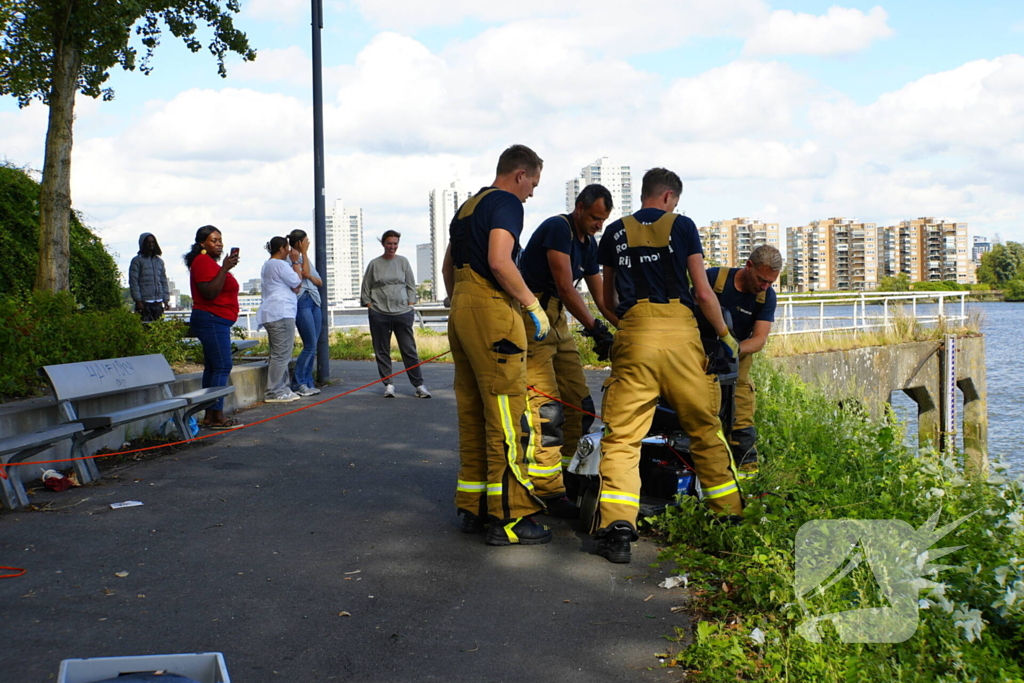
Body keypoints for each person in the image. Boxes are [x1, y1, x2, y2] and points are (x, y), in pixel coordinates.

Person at [592, 168, 743, 564]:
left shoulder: (614, 232)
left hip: (634, 333)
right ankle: (729, 518)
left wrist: (628, 327)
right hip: (681, 335)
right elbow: (703, 291)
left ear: (645, 194)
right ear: (669, 197)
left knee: (623, 439)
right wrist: (724, 336)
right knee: (704, 429)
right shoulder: (683, 225)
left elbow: (607, 298)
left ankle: (619, 530)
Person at [441, 144, 551, 546]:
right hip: (492, 309)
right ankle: (511, 517)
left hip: (461, 309)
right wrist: (531, 305)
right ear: (520, 174)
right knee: (508, 412)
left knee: (473, 411)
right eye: (533, 183)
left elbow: (446, 268)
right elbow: (501, 260)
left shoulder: (467, 208)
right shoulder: (506, 203)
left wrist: (461, 306)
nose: (532, 193)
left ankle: (474, 507)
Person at [517, 184, 617, 518]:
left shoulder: (589, 244)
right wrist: (594, 328)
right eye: (593, 218)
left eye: (603, 220)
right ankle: (545, 488)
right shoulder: (558, 228)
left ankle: (568, 475)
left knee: (581, 405)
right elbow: (563, 285)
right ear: (579, 207)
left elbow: (601, 299)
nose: (598, 225)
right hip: (534, 317)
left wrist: (620, 328)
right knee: (547, 410)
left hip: (557, 319)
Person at [701, 244, 782, 477]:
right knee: (699, 411)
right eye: (761, 279)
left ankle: (748, 478)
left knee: (741, 413)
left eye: (770, 282)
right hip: (699, 352)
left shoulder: (766, 297)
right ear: (748, 266)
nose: (764, 286)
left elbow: (759, 339)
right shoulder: (714, 278)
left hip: (738, 355)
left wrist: (731, 351)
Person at [185, 225, 243, 429]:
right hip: (210, 318)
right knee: (222, 366)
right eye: (213, 240)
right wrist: (225, 269)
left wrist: (223, 269)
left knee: (213, 367)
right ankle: (217, 414)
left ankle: (211, 415)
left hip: (217, 319)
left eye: (220, 240)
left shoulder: (209, 263)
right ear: (202, 243)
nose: (219, 244)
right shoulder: (201, 262)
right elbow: (209, 292)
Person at [360, 230, 431, 399]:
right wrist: (370, 305)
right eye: (389, 243)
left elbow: (411, 285)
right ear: (383, 244)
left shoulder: (403, 262)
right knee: (382, 349)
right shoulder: (375, 264)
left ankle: (419, 385)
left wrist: (410, 304)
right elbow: (366, 287)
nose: (392, 247)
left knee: (409, 349)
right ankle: (388, 384)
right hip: (379, 312)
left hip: (402, 312)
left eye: (395, 243)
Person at [257, 236, 303, 403]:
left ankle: (282, 388)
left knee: (280, 353)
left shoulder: (268, 264)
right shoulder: (279, 264)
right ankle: (274, 391)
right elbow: (297, 281)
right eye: (287, 248)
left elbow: (295, 286)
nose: (289, 252)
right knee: (282, 354)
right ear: (282, 249)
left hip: (274, 312)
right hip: (281, 312)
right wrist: (296, 262)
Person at [288, 229, 323, 397]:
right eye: (306, 241)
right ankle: (299, 382)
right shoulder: (291, 259)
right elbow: (302, 277)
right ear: (300, 243)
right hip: (302, 300)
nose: (309, 243)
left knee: (313, 346)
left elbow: (318, 280)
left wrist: (307, 273)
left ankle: (308, 381)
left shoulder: (303, 259)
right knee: (309, 345)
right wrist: (306, 273)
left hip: (315, 300)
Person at [129, 233, 170, 321]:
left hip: (158, 302)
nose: (151, 244)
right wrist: (138, 300)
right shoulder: (137, 261)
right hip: (144, 302)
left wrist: (166, 299)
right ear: (143, 244)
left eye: (152, 242)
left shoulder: (160, 261)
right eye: (148, 242)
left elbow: (163, 281)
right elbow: (133, 282)